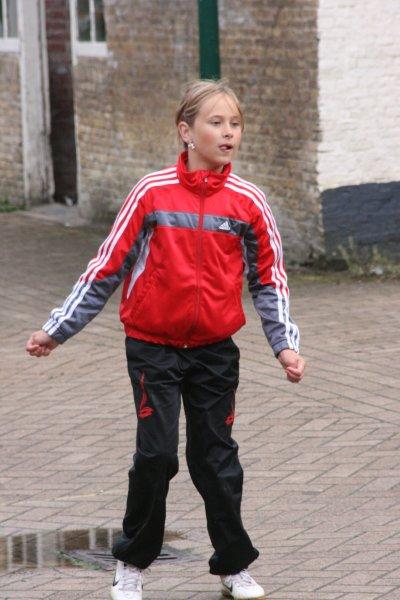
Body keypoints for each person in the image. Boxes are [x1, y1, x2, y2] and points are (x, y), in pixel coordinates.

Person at [26, 79, 305, 600]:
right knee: (156, 457)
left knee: (216, 460)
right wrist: (57, 329)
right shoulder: (151, 193)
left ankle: (233, 567)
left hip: (215, 351)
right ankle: (132, 563)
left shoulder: (250, 202)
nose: (228, 133)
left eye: (235, 124)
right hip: (152, 347)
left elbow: (269, 280)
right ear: (186, 131)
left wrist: (284, 344)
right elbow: (106, 267)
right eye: (216, 123)